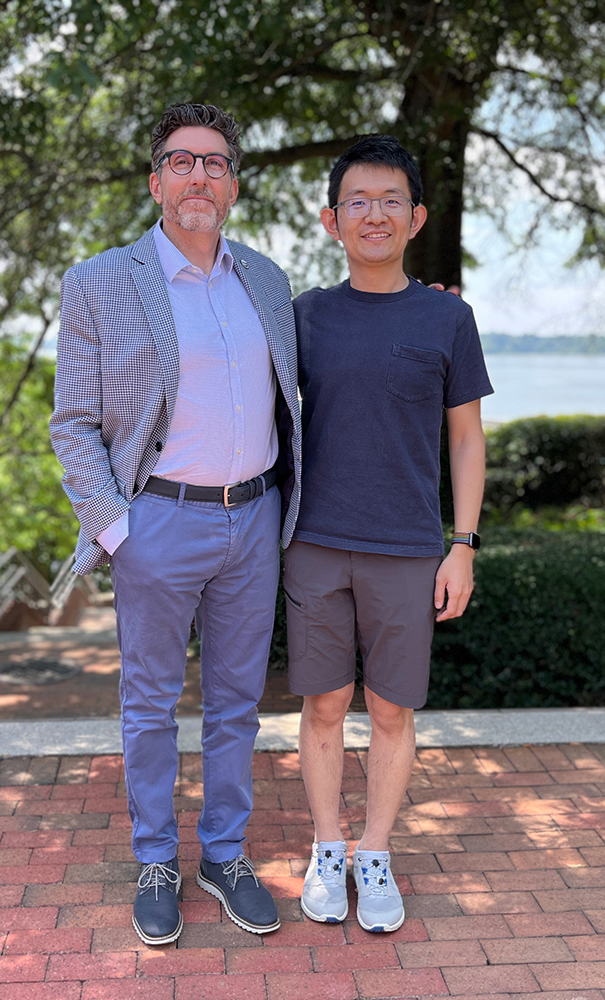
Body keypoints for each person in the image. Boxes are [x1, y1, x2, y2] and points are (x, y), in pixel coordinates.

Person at [50, 103, 301, 945]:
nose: (200, 176)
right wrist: (118, 531)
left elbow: (314, 377)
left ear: (232, 184)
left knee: (237, 704)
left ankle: (222, 854)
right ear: (155, 180)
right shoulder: (99, 280)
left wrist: (423, 304)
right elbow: (72, 424)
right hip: (156, 522)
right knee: (149, 703)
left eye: (216, 163)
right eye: (181, 161)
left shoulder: (266, 279)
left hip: (254, 520)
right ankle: (156, 856)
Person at [285, 135, 493, 933]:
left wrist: (462, 544)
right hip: (313, 542)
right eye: (357, 203)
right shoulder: (302, 316)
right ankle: (327, 846)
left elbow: (467, 438)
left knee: (393, 709)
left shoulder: (447, 316)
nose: (374, 214)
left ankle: (375, 851)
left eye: (390, 201)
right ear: (332, 220)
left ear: (415, 218)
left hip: (409, 548)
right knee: (326, 703)